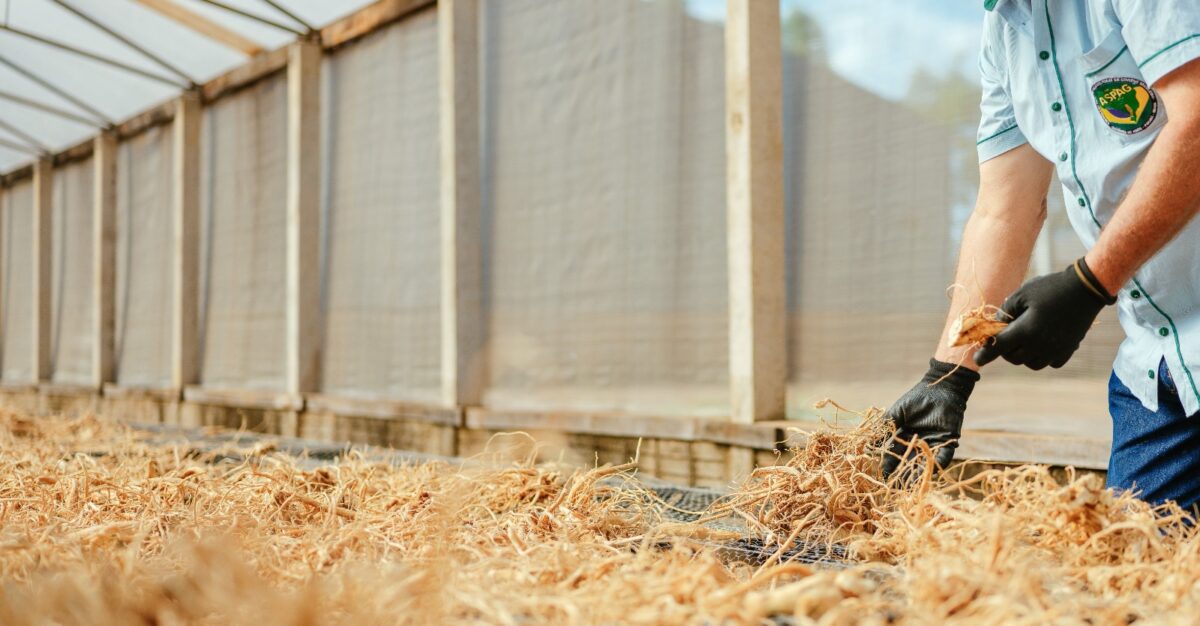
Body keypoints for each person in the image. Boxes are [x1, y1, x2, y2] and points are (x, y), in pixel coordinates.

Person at [883, 0, 1200, 511]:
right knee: (1135, 564)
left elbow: (1196, 123)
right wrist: (949, 374)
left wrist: (1090, 283)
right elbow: (1002, 210)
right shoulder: (1004, 32)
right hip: (1159, 369)